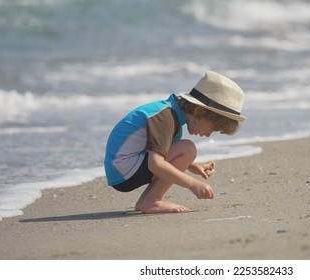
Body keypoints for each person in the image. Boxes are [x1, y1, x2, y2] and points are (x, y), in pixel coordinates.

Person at [104, 71, 246, 213]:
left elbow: (163, 150)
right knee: (188, 148)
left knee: (186, 149)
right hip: (124, 170)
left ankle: (145, 201)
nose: (208, 135)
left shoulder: (172, 113)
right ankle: (151, 200)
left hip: (123, 169)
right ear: (198, 111)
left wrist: (193, 166)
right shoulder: (165, 118)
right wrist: (192, 184)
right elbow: (155, 163)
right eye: (212, 129)